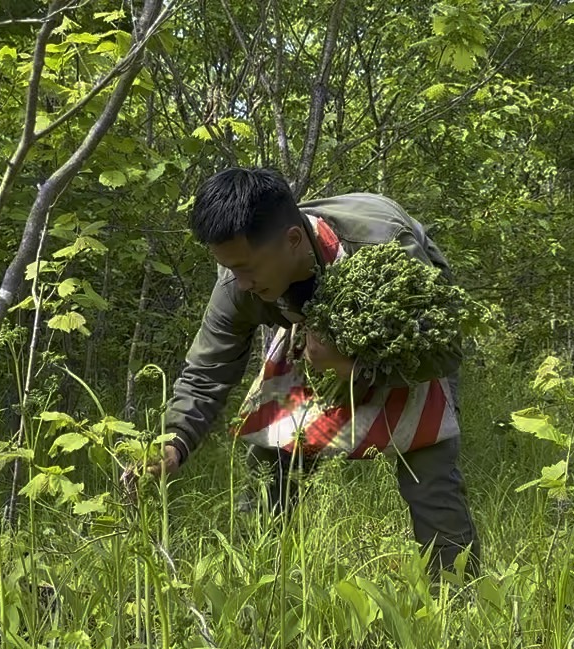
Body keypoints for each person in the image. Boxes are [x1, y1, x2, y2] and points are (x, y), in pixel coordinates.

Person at [131, 166, 480, 574]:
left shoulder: (388, 250)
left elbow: (444, 349)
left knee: (429, 465)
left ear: (293, 240)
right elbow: (208, 370)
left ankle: (458, 598)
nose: (239, 283)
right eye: (230, 269)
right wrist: (173, 441)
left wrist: (353, 365)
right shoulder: (238, 282)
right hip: (309, 337)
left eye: (246, 268)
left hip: (404, 334)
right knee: (271, 458)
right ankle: (255, 586)